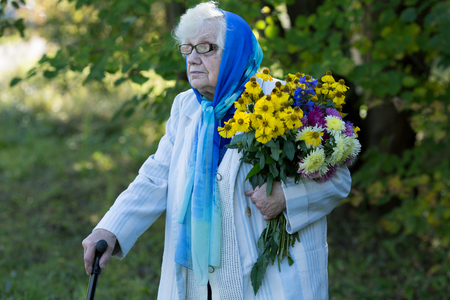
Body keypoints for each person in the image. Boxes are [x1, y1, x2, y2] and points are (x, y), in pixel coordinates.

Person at [82, 2, 351, 299]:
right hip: (201, 281)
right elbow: (156, 176)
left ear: (235, 51)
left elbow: (339, 180)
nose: (193, 59)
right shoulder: (187, 107)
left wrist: (285, 196)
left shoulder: (282, 101)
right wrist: (110, 229)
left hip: (273, 280)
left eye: (206, 47)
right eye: (188, 48)